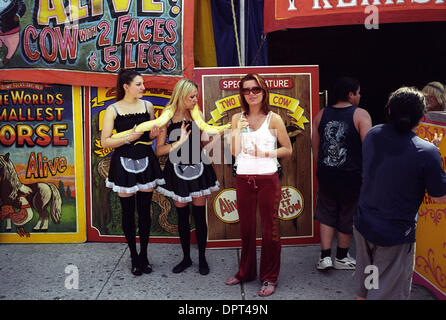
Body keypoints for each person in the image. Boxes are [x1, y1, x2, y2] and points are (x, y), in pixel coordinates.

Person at [353, 87, 446, 300]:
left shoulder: (374, 134)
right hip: (394, 234)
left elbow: (396, 160)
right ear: (422, 117)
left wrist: (428, 154)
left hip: (365, 225)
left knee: (369, 283)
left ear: (388, 111)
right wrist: (433, 159)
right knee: (387, 293)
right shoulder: (426, 153)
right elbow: (440, 196)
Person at [225, 73, 292, 297]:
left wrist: (266, 152)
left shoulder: (274, 118)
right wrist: (237, 129)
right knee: (246, 229)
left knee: (270, 230)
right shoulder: (237, 117)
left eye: (256, 89)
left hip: (267, 179)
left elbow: (288, 149)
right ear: (241, 94)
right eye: (246, 90)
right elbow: (234, 152)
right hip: (243, 178)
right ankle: (245, 272)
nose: (251, 94)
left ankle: (269, 277)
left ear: (263, 91)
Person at [101, 69, 164, 276]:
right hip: (124, 163)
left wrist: (153, 134)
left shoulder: (148, 106)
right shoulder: (113, 110)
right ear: (126, 87)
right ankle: (134, 256)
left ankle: (144, 255)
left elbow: (152, 135)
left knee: (145, 212)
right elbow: (105, 141)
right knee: (128, 213)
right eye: (138, 84)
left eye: (143, 83)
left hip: (146, 160)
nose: (143, 87)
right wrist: (129, 137)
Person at [156, 79, 220, 276]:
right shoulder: (166, 117)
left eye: (196, 96)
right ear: (180, 96)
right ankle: (185, 258)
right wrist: (179, 142)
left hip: (199, 168)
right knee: (182, 216)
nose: (195, 99)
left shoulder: (197, 114)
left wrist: (215, 138)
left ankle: (202, 258)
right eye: (191, 96)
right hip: (176, 170)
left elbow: (205, 142)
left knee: (200, 217)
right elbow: (159, 151)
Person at [312, 76, 372, 270]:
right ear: (350, 94)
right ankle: (342, 257)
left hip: (327, 173)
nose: (360, 96)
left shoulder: (321, 114)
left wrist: (324, 167)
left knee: (326, 212)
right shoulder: (361, 115)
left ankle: (325, 257)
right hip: (351, 175)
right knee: (348, 213)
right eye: (358, 92)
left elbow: (315, 148)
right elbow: (369, 149)